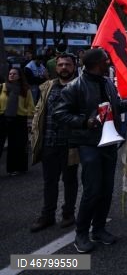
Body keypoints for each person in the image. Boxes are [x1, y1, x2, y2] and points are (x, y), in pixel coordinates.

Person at [53, 48, 127, 253]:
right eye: (106, 60)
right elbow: (60, 114)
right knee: (92, 190)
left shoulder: (107, 82)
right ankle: (81, 233)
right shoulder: (74, 87)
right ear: (97, 64)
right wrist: (84, 122)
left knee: (107, 189)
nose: (109, 62)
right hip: (89, 144)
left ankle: (98, 229)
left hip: (108, 144)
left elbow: (114, 107)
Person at [30, 53, 79, 232]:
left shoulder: (80, 87)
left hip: (70, 145)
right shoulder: (47, 87)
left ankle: (68, 213)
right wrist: (34, 130)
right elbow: (39, 109)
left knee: (70, 180)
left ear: (74, 67)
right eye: (60, 65)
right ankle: (47, 215)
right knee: (49, 181)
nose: (63, 68)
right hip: (49, 143)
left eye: (67, 65)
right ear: (56, 67)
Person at [0, 67, 36, 175]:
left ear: (19, 76)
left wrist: (29, 121)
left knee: (18, 145)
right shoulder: (2, 87)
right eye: (10, 73)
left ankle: (18, 168)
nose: (11, 75)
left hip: (19, 118)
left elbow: (30, 106)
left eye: (14, 74)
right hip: (3, 118)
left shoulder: (25, 89)